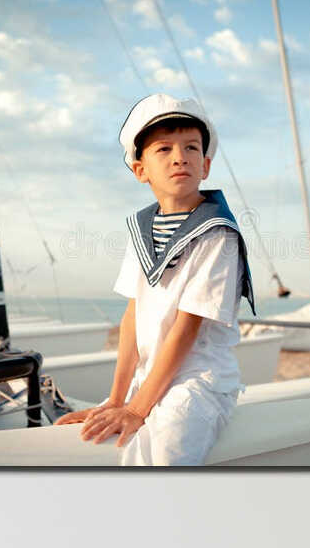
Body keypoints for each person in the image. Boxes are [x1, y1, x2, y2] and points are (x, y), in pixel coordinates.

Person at [56, 94, 255, 466]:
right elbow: (132, 316)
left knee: (168, 448)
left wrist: (138, 408)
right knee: (95, 433)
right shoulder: (143, 229)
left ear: (205, 165)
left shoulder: (217, 233)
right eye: (164, 149)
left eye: (191, 147)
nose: (180, 157)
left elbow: (186, 328)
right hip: (151, 373)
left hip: (198, 378)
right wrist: (118, 399)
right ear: (140, 170)